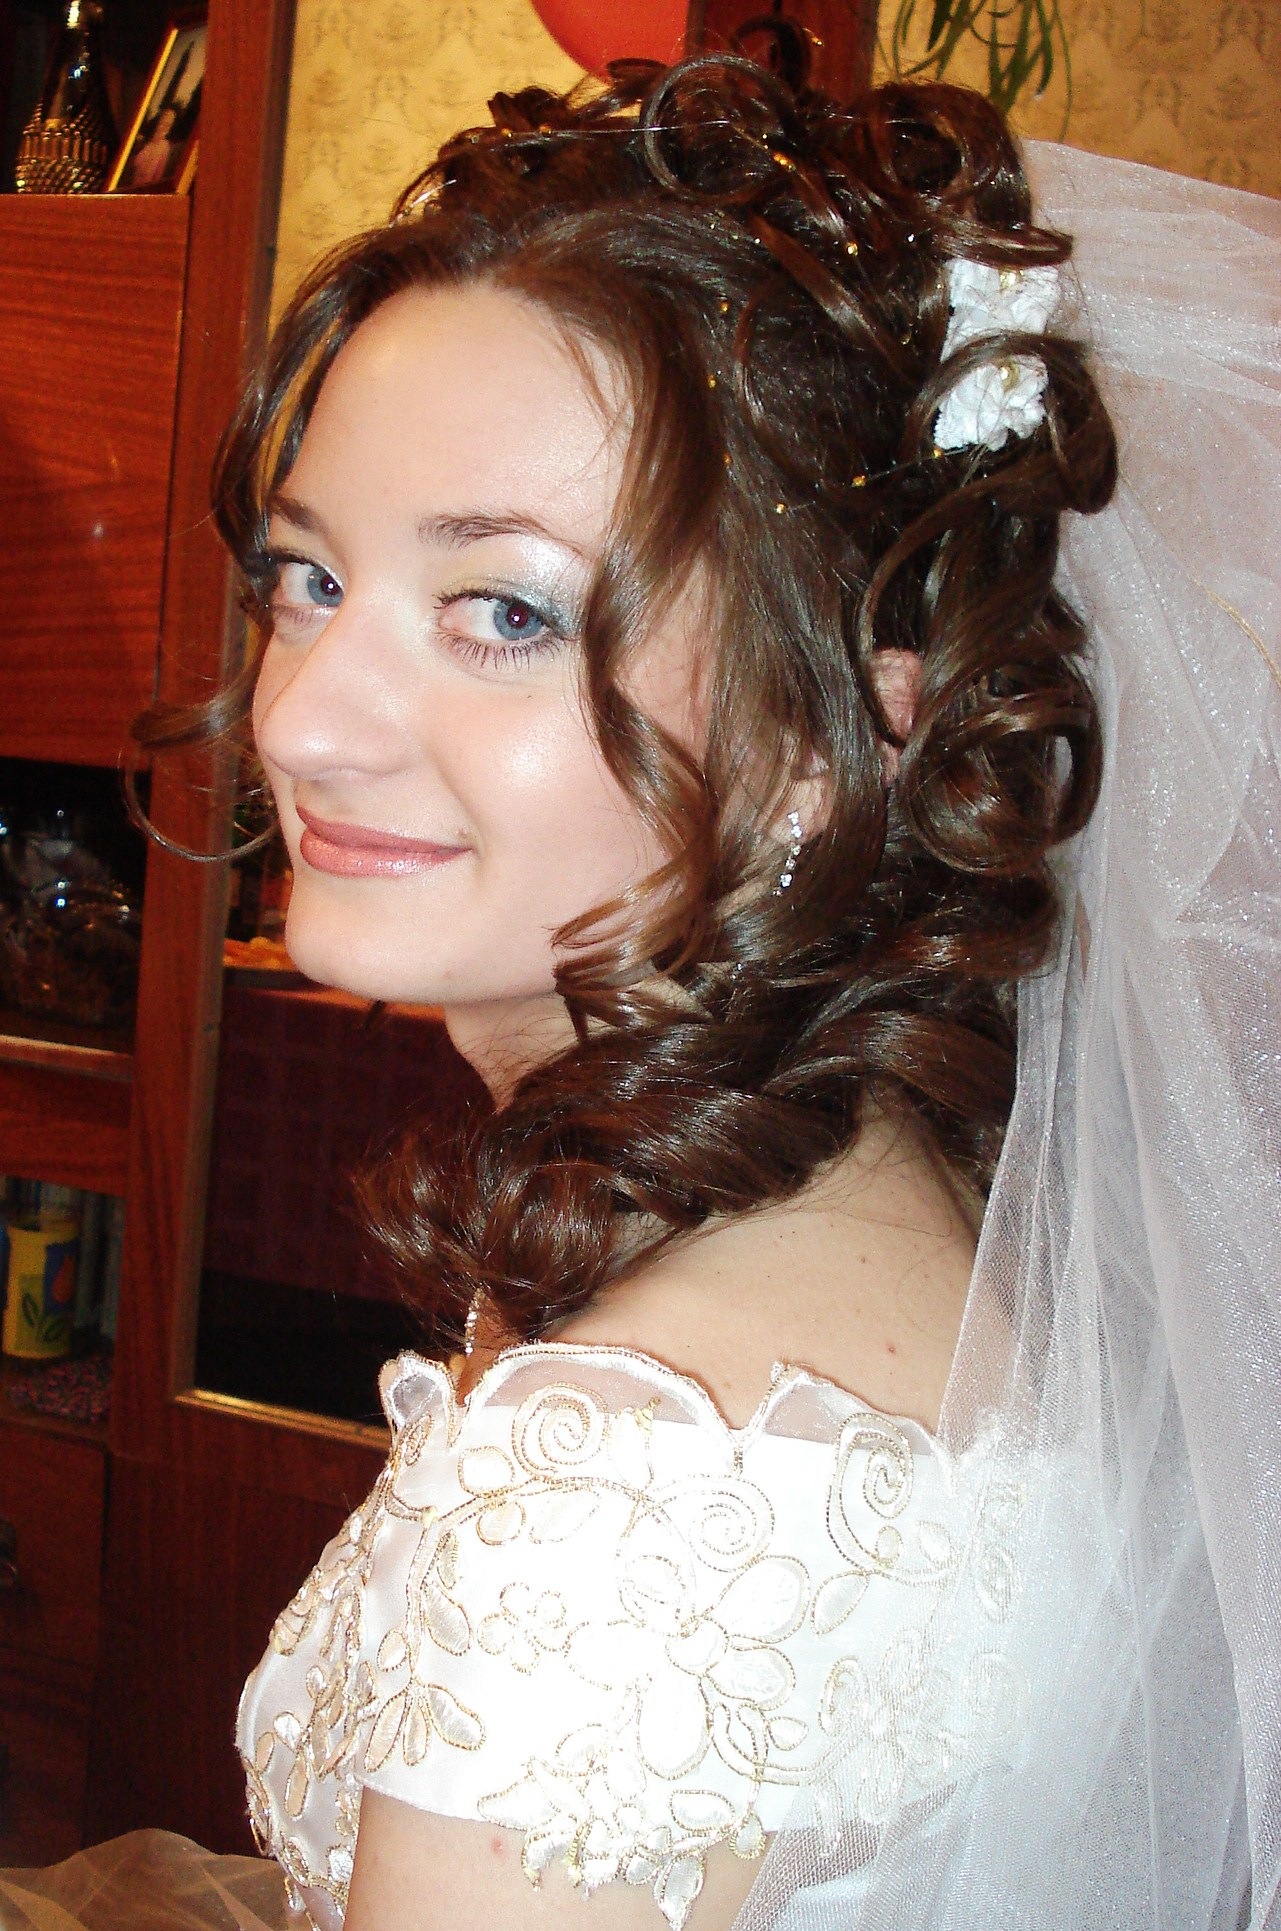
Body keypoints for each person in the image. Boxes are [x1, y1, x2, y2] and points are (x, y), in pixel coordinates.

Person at [136, 52, 1281, 1931]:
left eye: (506, 611)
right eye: (305, 577)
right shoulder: (890, 1183)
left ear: (840, 730)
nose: (307, 721)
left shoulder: (617, 1515)